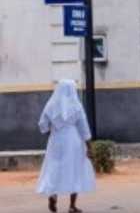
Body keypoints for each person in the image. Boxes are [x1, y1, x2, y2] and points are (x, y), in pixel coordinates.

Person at [36, 79, 96, 213]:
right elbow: (83, 126)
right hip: (73, 140)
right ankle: (72, 206)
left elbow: (42, 124)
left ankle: (52, 194)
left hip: (56, 139)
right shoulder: (76, 105)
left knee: (54, 167)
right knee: (74, 169)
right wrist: (89, 146)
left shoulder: (51, 104)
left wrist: (49, 132)